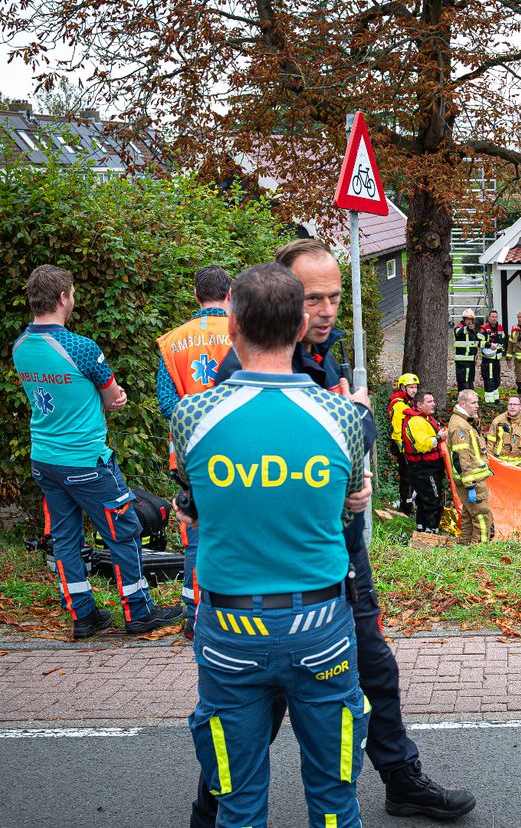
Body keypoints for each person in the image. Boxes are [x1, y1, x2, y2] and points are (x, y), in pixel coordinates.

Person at [205, 239, 476, 823]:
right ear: (280, 301)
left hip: (343, 557)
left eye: (334, 296)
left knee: (374, 671)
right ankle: (215, 802)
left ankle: (400, 779)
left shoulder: (329, 358)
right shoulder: (252, 370)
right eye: (312, 299)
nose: (327, 310)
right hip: (286, 571)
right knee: (261, 697)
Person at [172, 262, 370, 828]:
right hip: (322, 626)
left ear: (231, 327)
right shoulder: (344, 415)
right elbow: (348, 498)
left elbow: (191, 502)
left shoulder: (193, 415)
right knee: (335, 802)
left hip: (229, 631)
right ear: (300, 326)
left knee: (237, 804)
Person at [12, 264, 182, 639]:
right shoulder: (81, 348)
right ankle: (139, 612)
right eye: (71, 293)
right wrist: (113, 400)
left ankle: (82, 615)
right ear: (62, 297)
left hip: (45, 459)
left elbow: (58, 395)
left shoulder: (20, 347)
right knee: (124, 530)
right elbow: (112, 396)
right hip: (86, 460)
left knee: (66, 538)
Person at [155, 264, 233, 638]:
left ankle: (193, 615)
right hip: (235, 450)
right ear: (230, 295)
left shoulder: (172, 341)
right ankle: (231, 614)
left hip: (188, 454)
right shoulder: (243, 334)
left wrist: (193, 422)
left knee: (195, 537)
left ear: (195, 296)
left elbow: (167, 402)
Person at [446, 390, 494, 544]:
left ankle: (465, 544)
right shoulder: (460, 426)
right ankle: (480, 548)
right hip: (472, 478)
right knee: (481, 515)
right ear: (462, 404)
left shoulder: (465, 421)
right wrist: (469, 483)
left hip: (471, 477)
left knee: (468, 513)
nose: (477, 406)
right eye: (473, 403)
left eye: (477, 402)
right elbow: (462, 457)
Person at [401, 390, 447, 534]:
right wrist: (439, 438)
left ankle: (422, 529)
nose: (433, 404)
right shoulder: (416, 421)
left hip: (430, 466)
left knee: (424, 499)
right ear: (419, 404)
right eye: (429, 401)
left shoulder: (425, 418)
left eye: (433, 401)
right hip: (424, 467)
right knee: (433, 500)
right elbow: (422, 445)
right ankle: (431, 531)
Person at [386, 373, 419, 516]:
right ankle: (406, 507)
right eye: (411, 387)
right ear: (402, 387)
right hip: (403, 447)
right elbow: (397, 431)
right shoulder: (399, 405)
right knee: (407, 477)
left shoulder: (406, 402)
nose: (414, 390)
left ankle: (409, 503)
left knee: (411, 477)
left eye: (416, 387)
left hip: (409, 446)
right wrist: (404, 450)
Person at [477, 309, 505, 404]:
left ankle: (496, 399)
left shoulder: (500, 327)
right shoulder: (484, 328)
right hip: (488, 359)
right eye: (492, 317)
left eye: (496, 317)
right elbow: (479, 342)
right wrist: (489, 345)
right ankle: (489, 401)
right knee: (489, 379)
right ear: (489, 318)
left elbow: (503, 339)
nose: (494, 318)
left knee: (497, 379)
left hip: (497, 359)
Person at [452, 308, 481, 391]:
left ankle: (468, 397)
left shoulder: (472, 330)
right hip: (462, 360)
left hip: (471, 360)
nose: (469, 321)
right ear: (464, 319)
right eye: (468, 319)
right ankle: (465, 398)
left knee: (470, 380)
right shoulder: (459, 327)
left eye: (471, 319)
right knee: (463, 381)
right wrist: (468, 328)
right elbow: (459, 332)